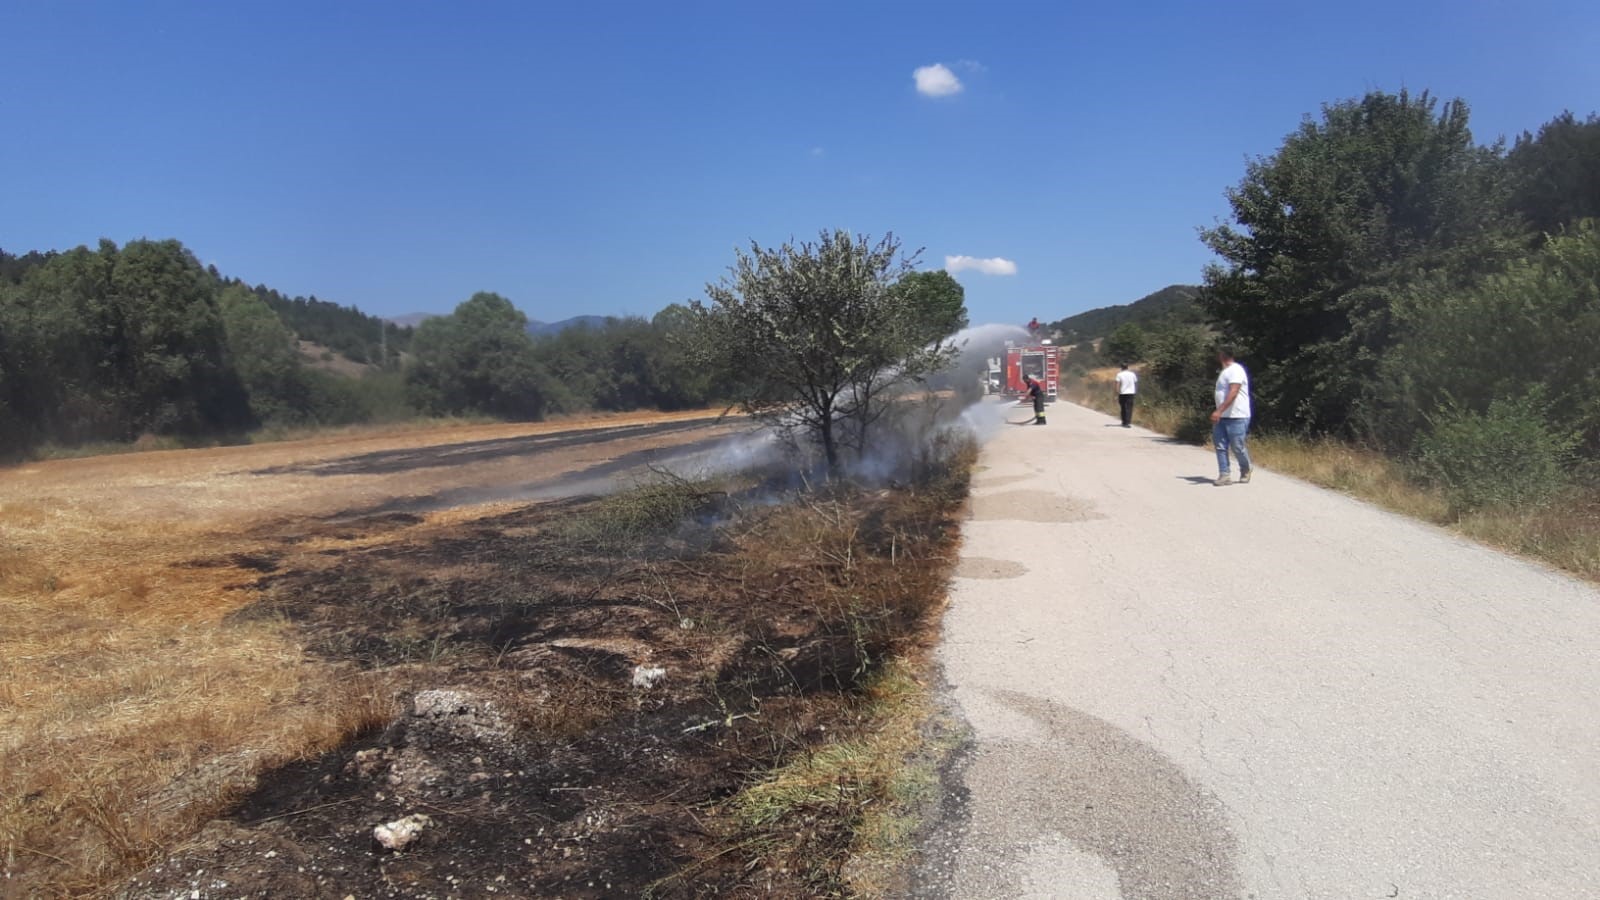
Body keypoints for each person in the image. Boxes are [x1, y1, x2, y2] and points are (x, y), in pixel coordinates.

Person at [1210, 346, 1252, 485]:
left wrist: (1219, 410)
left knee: (1237, 446)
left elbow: (1234, 392)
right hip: (1223, 416)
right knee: (1220, 445)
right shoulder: (1226, 371)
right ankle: (1224, 475)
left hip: (1237, 415)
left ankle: (1246, 468)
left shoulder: (1235, 370)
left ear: (1222, 355)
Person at [1114, 363, 1137, 428]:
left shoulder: (1119, 374)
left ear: (1121, 368)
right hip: (1131, 393)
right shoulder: (1132, 374)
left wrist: (1116, 393)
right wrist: (1134, 390)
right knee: (1129, 407)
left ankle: (1124, 421)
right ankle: (1128, 422)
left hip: (1122, 393)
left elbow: (1117, 384)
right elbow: (1135, 382)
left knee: (1123, 407)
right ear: (1127, 367)